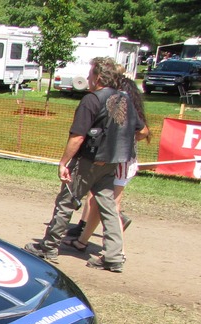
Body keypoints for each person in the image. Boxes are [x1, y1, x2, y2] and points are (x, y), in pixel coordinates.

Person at [24, 57, 146, 273]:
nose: (88, 78)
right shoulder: (125, 99)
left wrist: (63, 162)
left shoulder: (91, 100)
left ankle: (49, 247)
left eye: (90, 74)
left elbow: (78, 137)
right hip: (112, 162)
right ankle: (114, 256)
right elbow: (141, 130)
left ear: (98, 77)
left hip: (88, 162)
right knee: (108, 207)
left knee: (66, 201)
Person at [65, 65, 150, 252]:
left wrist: (122, 140)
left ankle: (116, 252)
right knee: (98, 200)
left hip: (119, 158)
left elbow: (143, 131)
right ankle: (82, 240)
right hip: (121, 157)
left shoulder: (120, 99)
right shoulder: (126, 100)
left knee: (111, 205)